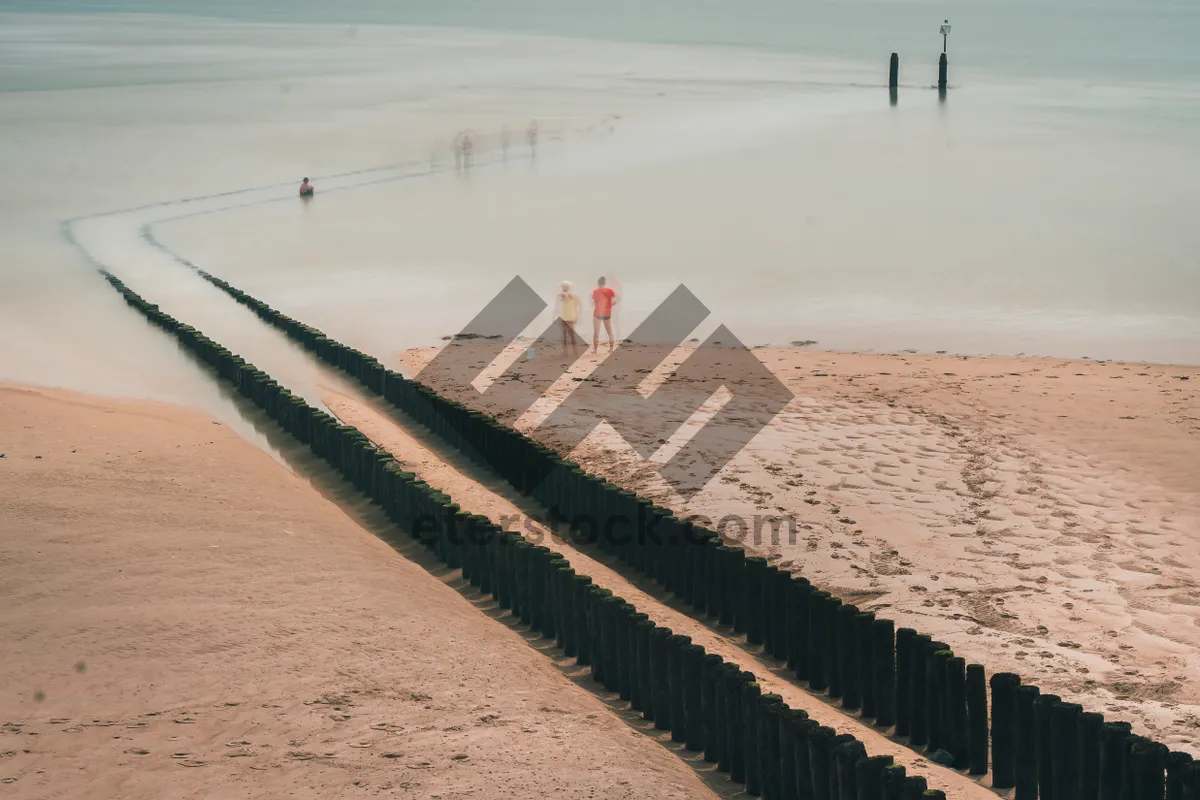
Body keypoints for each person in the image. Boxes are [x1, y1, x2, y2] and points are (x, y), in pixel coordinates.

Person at [591, 276, 616, 354]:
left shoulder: (596, 291)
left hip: (598, 313)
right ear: (604, 283)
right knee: (609, 331)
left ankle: (595, 350)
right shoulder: (610, 290)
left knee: (596, 332)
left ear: (598, 283)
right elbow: (614, 302)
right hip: (607, 313)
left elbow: (594, 303)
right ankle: (611, 349)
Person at [556, 281, 581, 356]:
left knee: (571, 335)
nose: (563, 288)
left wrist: (577, 316)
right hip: (564, 317)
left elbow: (576, 306)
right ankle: (566, 352)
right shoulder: (562, 295)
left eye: (564, 287)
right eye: (563, 287)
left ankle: (574, 351)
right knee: (565, 335)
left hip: (570, 317)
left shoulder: (572, 295)